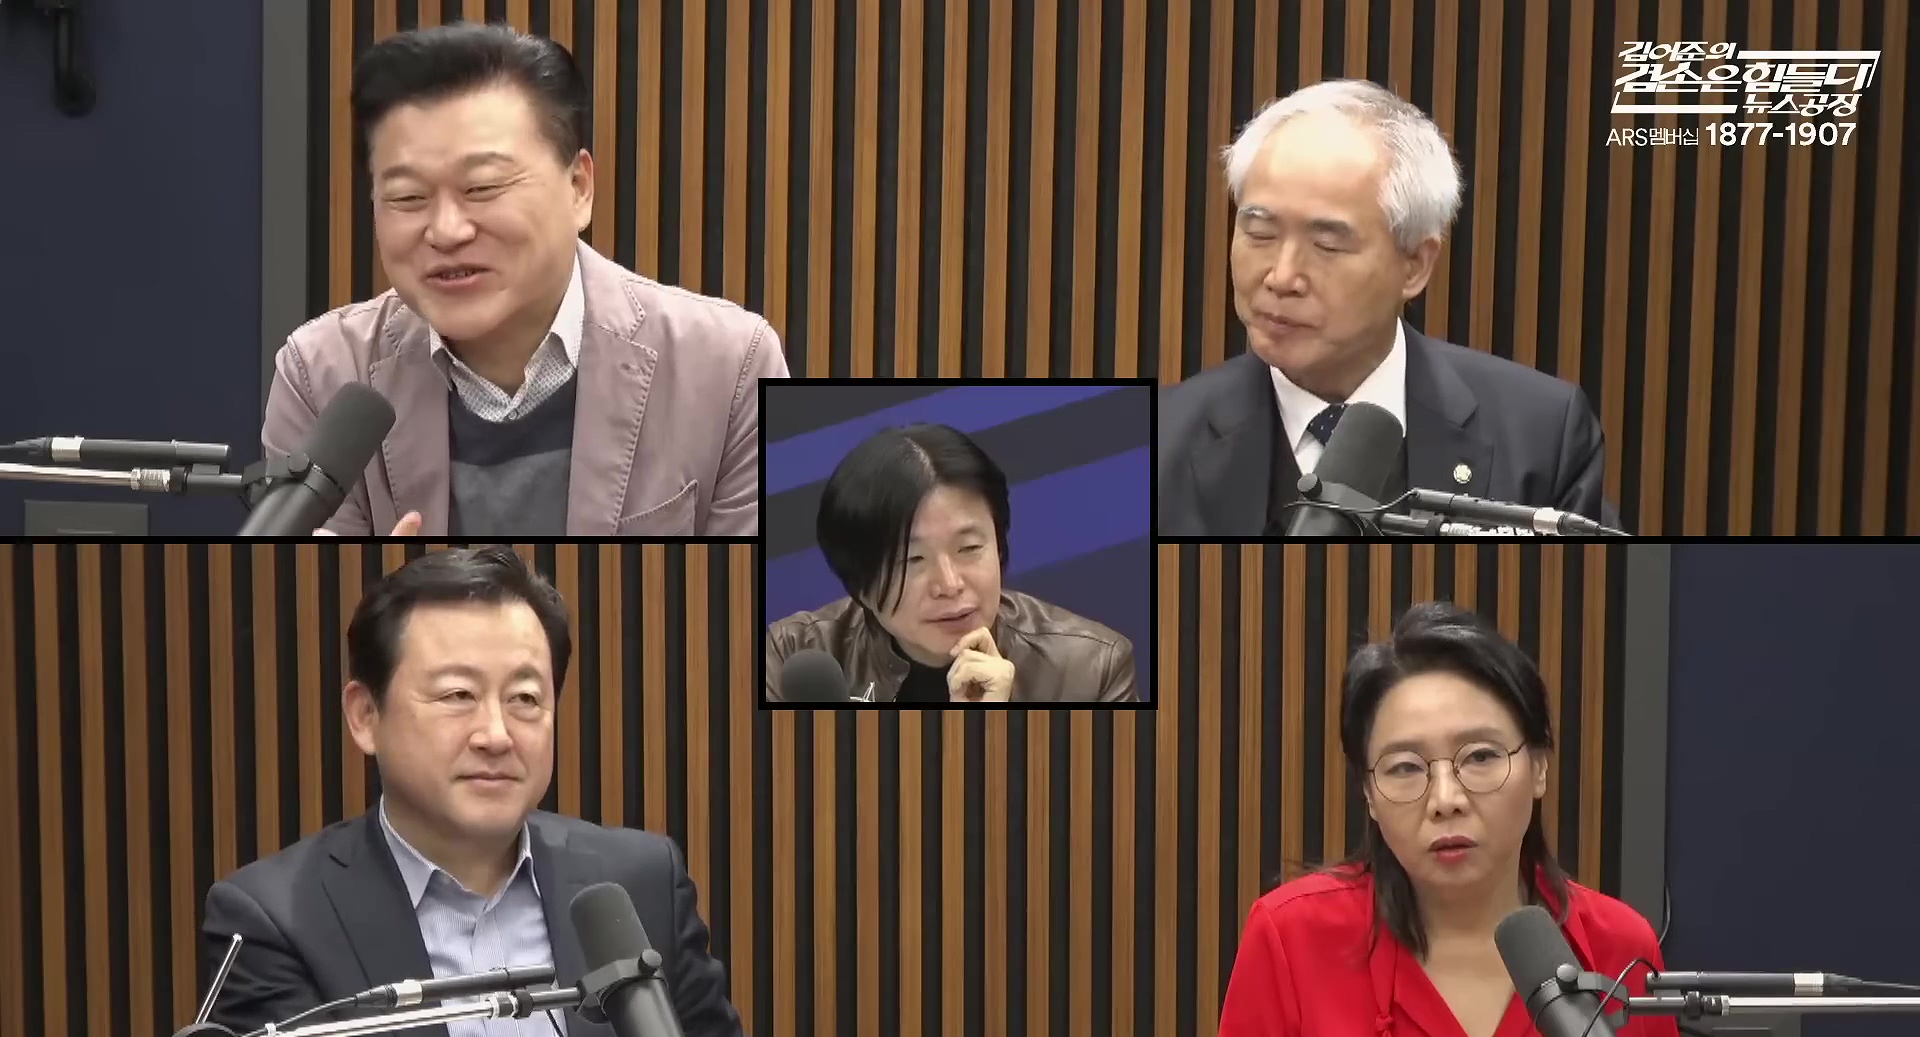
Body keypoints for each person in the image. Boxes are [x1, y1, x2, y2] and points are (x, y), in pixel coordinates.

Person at [203, 547, 763, 1037]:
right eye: (457, 695)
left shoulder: (639, 882)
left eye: (524, 699)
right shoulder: (276, 921)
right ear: (365, 715)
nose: (496, 735)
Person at [263, 23, 786, 536]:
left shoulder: (728, 368)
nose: (446, 231)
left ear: (578, 188)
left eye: (483, 187)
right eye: (407, 197)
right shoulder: (323, 375)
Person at [1216, 603, 1685, 1037]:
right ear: (1369, 795)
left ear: (1539, 767)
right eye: (1405, 767)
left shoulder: (1619, 947)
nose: (1446, 800)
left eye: (1480, 757)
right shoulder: (1292, 939)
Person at [1157, 79, 1612, 537]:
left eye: (1326, 244)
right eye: (1260, 234)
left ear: (1415, 265)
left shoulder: (1541, 434)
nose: (1282, 276)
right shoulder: (1154, 443)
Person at [764, 423, 1138, 704]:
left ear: (999, 545)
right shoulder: (794, 653)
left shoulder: (1090, 669)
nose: (950, 583)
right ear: (859, 580)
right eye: (912, 559)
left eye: (969, 548)